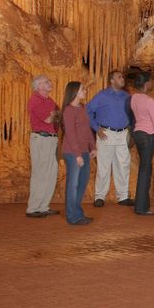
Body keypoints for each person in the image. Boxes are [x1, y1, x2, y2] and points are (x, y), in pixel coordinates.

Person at [86, 70, 133, 207]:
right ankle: (99, 196)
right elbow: (88, 110)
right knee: (104, 165)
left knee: (123, 165)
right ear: (112, 80)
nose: (122, 79)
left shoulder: (127, 96)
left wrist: (130, 128)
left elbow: (131, 114)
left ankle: (123, 196)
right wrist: (95, 127)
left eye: (122, 76)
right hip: (106, 133)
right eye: (119, 77)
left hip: (123, 133)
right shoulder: (102, 96)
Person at [60, 81, 95, 226]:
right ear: (74, 92)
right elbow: (70, 133)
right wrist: (77, 154)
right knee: (73, 184)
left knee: (82, 182)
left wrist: (93, 146)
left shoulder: (83, 108)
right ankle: (72, 216)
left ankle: (78, 212)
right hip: (73, 152)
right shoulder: (69, 110)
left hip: (85, 151)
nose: (85, 91)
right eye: (82, 89)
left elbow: (87, 130)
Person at [26, 76, 59, 218]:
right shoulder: (35, 100)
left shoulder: (49, 100)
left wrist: (55, 114)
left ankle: (44, 206)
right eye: (46, 82)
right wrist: (55, 115)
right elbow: (48, 119)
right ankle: (33, 208)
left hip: (51, 139)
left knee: (51, 174)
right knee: (40, 174)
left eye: (49, 80)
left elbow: (57, 115)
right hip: (41, 138)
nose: (50, 83)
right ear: (38, 86)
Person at [130, 72, 154, 216]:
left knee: (144, 168)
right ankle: (141, 208)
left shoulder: (133, 98)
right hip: (148, 135)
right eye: (150, 81)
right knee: (145, 170)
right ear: (146, 83)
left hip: (137, 134)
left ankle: (143, 205)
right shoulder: (149, 101)